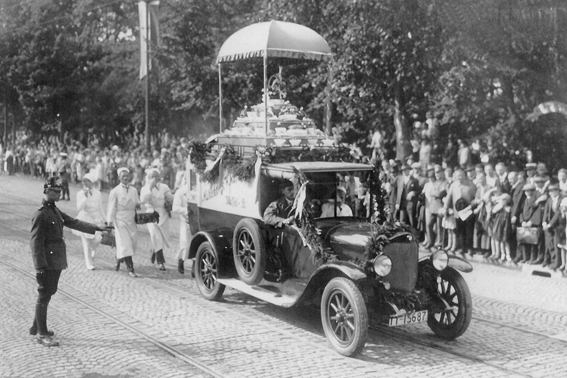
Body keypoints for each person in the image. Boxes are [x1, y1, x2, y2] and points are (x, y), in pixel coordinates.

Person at [30, 177, 112, 347]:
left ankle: (37, 325)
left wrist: (97, 228)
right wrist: (39, 267)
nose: (59, 194)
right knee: (44, 294)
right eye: (56, 191)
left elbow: (73, 222)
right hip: (47, 261)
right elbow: (36, 243)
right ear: (46, 191)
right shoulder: (41, 214)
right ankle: (41, 333)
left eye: (60, 191)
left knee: (49, 291)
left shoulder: (55, 211)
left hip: (56, 259)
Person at [107, 167, 140, 277]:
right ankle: (131, 269)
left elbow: (137, 203)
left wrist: (138, 205)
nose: (125, 178)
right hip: (120, 219)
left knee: (133, 242)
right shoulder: (115, 191)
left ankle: (119, 257)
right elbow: (111, 207)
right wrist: (110, 221)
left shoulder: (134, 190)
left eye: (127, 175)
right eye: (123, 176)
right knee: (125, 244)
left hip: (131, 219)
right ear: (119, 178)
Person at [140, 168, 174, 270]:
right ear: (148, 178)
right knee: (156, 236)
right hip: (151, 214)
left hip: (163, 213)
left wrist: (169, 198)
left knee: (163, 238)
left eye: (156, 176)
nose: (154, 178)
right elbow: (143, 199)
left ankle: (155, 250)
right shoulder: (145, 188)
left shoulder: (164, 187)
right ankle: (160, 261)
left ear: (159, 177)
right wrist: (150, 187)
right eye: (152, 177)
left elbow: (170, 198)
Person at [72, 172, 106, 270]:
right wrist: (85, 197)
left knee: (98, 239)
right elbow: (79, 207)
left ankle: (93, 248)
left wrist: (106, 220)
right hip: (84, 218)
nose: (85, 184)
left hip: (95, 219)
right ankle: (89, 264)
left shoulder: (98, 193)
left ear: (92, 183)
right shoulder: (80, 194)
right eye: (83, 182)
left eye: (87, 182)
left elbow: (100, 208)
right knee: (86, 242)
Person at [172, 175, 192, 274]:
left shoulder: (198, 190)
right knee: (185, 244)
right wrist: (186, 211)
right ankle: (181, 260)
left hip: (197, 222)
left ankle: (195, 267)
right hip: (185, 221)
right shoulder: (180, 191)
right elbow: (175, 207)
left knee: (196, 244)